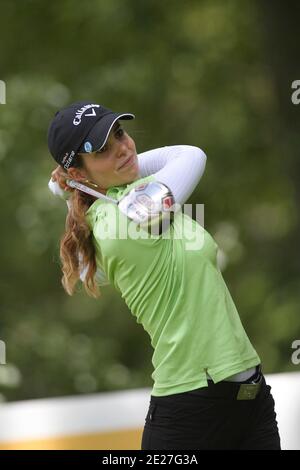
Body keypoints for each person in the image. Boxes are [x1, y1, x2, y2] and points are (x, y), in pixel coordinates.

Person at [47, 101, 281, 450]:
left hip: (251, 400)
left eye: (120, 134)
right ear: (80, 174)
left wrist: (67, 185)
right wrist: (66, 185)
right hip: (192, 409)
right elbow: (190, 155)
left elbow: (134, 170)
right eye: (103, 150)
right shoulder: (122, 218)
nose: (123, 149)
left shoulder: (126, 199)